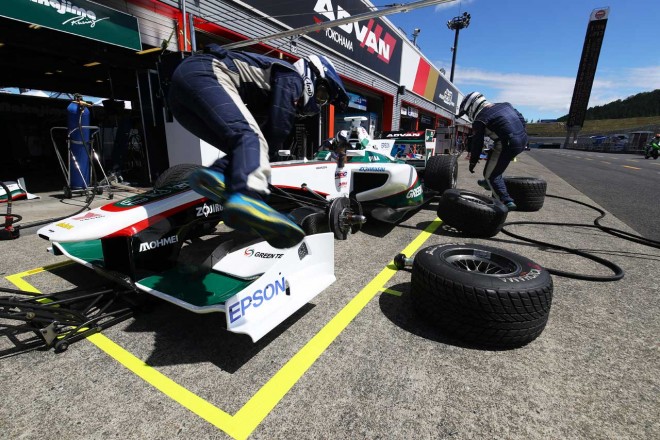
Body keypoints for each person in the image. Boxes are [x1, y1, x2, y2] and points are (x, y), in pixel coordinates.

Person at [167, 44, 349, 248]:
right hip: (205, 72)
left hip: (180, 97)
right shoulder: (292, 76)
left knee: (244, 146)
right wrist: (262, 186)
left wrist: (262, 156)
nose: (319, 103)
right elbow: (278, 128)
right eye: (322, 96)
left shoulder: (267, 91)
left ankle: (218, 175)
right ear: (313, 77)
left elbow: (261, 136)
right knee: (250, 139)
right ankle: (248, 198)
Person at [458, 91, 528, 210]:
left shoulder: (480, 120)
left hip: (507, 144)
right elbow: (521, 119)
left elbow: (477, 143)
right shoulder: (506, 105)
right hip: (523, 139)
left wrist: (473, 162)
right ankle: (488, 183)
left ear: (472, 107)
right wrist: (520, 134)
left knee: (491, 175)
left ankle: (506, 200)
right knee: (493, 155)